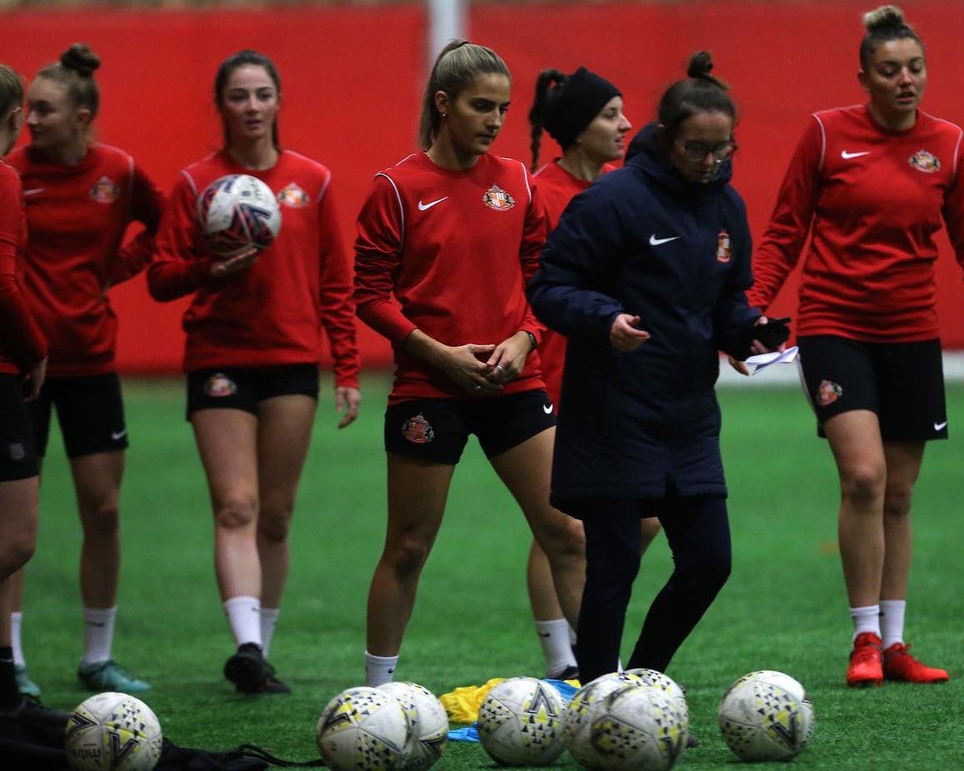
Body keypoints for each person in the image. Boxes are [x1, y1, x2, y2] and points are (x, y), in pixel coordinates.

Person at [748, 5, 964, 688]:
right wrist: (748, 311)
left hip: (911, 334)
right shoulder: (825, 135)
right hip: (834, 326)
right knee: (864, 476)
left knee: (899, 493)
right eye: (891, 70)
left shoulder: (949, 146)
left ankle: (896, 646)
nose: (906, 80)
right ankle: (863, 638)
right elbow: (784, 231)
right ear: (864, 76)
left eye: (915, 68)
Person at [529, 51, 773, 684]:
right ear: (666, 138)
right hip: (614, 411)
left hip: (687, 417)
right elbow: (550, 286)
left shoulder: (728, 207)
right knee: (613, 571)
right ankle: (598, 696)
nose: (712, 162)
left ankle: (637, 685)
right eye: (698, 148)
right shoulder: (614, 200)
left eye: (724, 148)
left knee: (710, 562)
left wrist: (748, 331)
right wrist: (605, 318)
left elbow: (726, 302)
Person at [355, 39, 586, 686]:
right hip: (430, 387)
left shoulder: (516, 181)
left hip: (516, 383)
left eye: (503, 109)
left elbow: (546, 278)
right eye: (481, 106)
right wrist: (436, 353)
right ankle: (377, 696)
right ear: (443, 103)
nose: (494, 120)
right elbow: (368, 295)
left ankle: (605, 683)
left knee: (568, 532)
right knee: (407, 548)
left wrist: (525, 340)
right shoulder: (396, 188)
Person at [148, 49, 361, 694]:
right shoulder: (194, 185)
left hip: (292, 361)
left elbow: (335, 281)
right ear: (222, 106)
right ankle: (244, 645)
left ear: (277, 102)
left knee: (275, 514)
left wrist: (347, 366)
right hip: (218, 358)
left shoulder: (313, 180)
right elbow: (160, 277)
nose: (251, 107)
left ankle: (259, 652)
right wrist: (209, 269)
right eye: (238, 96)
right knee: (235, 504)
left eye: (262, 94)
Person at [8, 44, 162, 694]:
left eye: (44, 110)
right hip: (20, 369)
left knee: (102, 509)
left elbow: (164, 228)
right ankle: (10, 661)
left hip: (92, 363)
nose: (31, 121)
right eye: (28, 110)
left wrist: (112, 273)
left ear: (82, 114)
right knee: (15, 523)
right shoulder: (13, 173)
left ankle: (97, 655)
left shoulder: (119, 173)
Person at [525, 65, 653, 680]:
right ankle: (567, 660)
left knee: (649, 516)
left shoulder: (624, 189)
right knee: (563, 526)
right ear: (578, 129)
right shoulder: (537, 194)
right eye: (610, 114)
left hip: (620, 381)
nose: (626, 124)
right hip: (552, 380)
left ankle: (580, 649)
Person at [0, 63, 48, 711]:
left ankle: (4, 671)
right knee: (16, 539)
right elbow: (3, 284)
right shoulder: (6, 176)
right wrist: (35, 348)